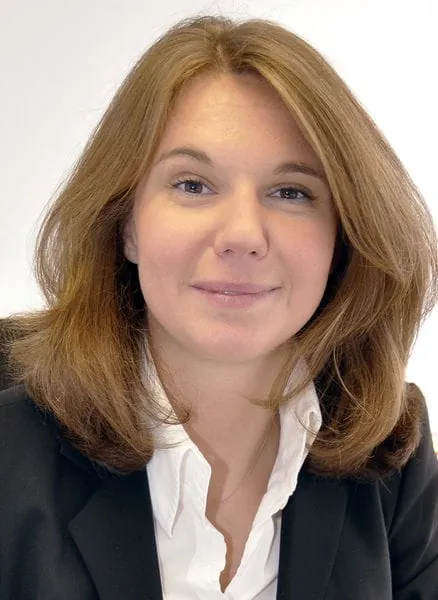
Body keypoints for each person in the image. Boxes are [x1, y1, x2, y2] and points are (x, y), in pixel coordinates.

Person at [0, 13, 437, 600]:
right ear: (125, 223)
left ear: (342, 238)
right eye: (193, 185)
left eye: (291, 192)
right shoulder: (10, 428)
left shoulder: (391, 448)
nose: (243, 236)